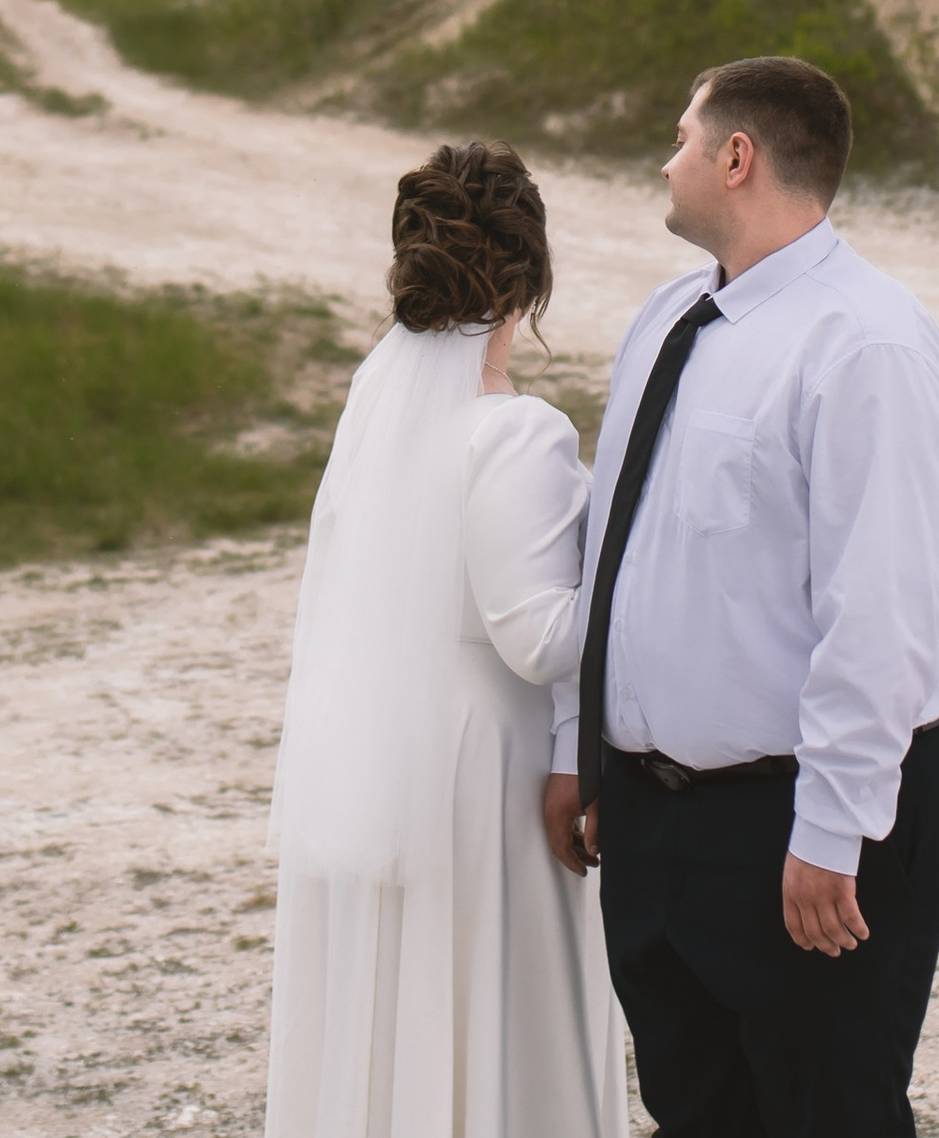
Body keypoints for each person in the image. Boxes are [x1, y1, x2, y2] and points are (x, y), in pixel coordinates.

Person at [542, 56, 939, 1138]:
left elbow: (880, 605)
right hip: (654, 817)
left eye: (681, 135)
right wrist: (580, 747)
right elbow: (612, 548)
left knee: (828, 1113)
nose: (665, 156)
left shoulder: (865, 341)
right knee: (697, 1112)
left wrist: (831, 827)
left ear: (736, 159)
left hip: (809, 817)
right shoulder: (667, 318)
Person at [265, 140, 627, 1138]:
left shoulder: (376, 405)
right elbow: (543, 640)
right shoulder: (513, 432)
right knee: (500, 1004)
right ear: (528, 282)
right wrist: (646, 564)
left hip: (394, 749)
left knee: (408, 999)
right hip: (486, 775)